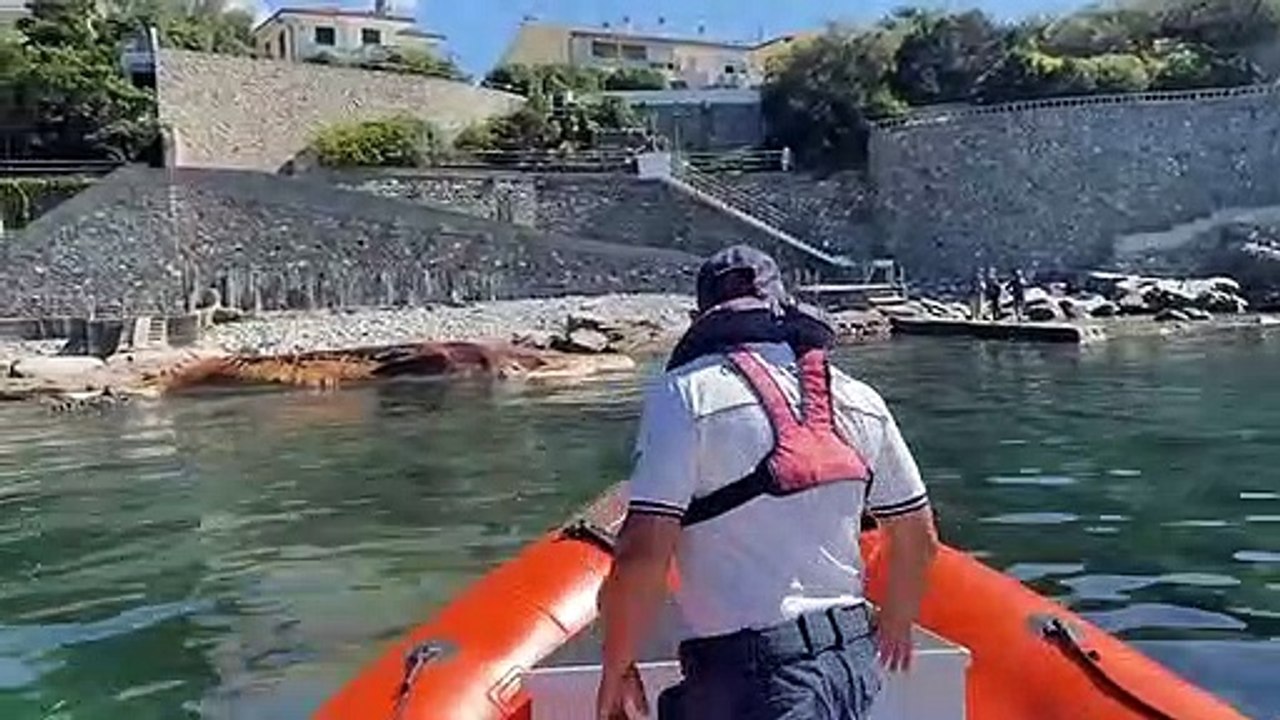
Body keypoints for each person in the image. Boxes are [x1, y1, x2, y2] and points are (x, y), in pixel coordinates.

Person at [595, 245, 940, 720]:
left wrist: (616, 663)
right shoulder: (859, 398)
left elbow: (642, 554)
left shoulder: (686, 393)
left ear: (703, 314)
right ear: (781, 305)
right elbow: (918, 539)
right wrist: (897, 619)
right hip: (851, 666)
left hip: (752, 675)